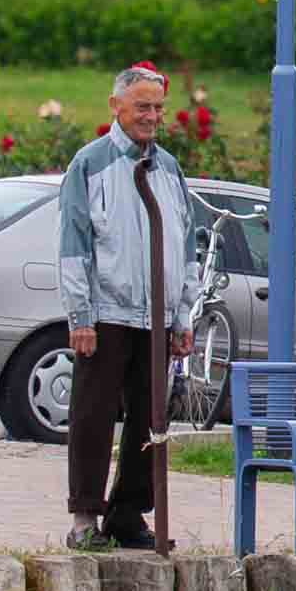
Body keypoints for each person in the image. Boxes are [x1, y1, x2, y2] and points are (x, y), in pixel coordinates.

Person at [58, 63, 199, 552]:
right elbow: (74, 244)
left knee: (150, 419)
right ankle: (84, 519)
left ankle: (128, 514)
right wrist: (81, 316)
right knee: (93, 416)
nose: (152, 116)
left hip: (157, 316)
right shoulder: (90, 164)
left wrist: (182, 314)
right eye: (142, 107)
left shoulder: (169, 168)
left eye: (158, 108)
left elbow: (184, 243)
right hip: (107, 314)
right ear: (116, 106)